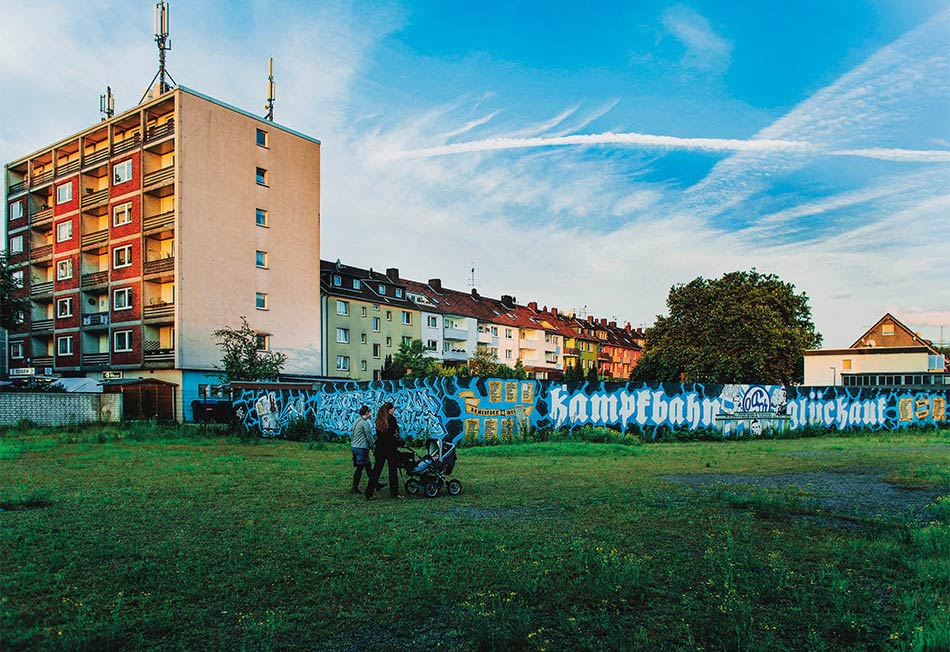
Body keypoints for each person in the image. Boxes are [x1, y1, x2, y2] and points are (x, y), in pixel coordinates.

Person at [365, 402, 404, 499]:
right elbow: (395, 434)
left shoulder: (379, 420)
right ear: (390, 410)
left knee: (376, 470)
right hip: (391, 448)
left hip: (380, 448)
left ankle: (369, 492)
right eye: (393, 408)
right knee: (392, 471)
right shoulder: (392, 420)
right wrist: (401, 442)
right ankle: (394, 493)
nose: (394, 410)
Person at [349, 405, 374, 494]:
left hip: (355, 447)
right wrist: (373, 447)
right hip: (361, 448)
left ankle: (375, 484)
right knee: (360, 468)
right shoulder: (365, 423)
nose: (370, 414)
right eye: (370, 412)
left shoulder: (356, 421)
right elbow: (369, 436)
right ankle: (354, 488)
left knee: (368, 467)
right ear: (366, 413)